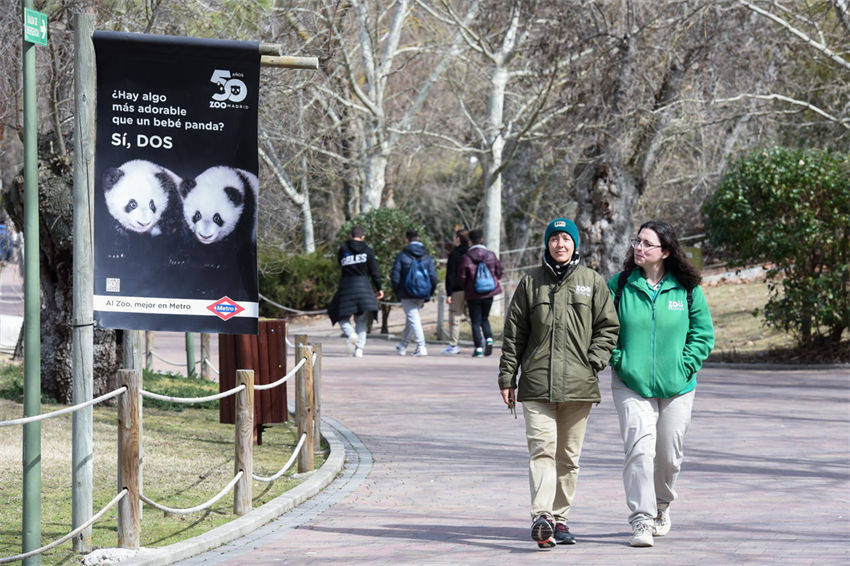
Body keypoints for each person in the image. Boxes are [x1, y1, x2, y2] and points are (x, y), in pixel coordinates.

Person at [499, 218, 619, 549]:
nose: (560, 244)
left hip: (578, 387)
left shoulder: (592, 282)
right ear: (547, 244)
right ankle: (542, 516)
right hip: (537, 385)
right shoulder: (530, 283)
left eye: (566, 238)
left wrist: (593, 362)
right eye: (555, 238)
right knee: (541, 449)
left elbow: (608, 328)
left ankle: (560, 517)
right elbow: (514, 334)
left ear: (575, 244)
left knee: (568, 456)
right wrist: (507, 377)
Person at [606, 220, 714, 548]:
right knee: (639, 449)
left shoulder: (687, 287)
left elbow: (703, 333)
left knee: (669, 454)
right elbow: (602, 329)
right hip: (631, 383)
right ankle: (641, 520)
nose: (638, 247)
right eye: (637, 241)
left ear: (664, 251)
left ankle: (662, 506)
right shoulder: (619, 285)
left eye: (647, 244)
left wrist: (685, 365)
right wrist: (620, 360)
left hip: (678, 385)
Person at [327, 226, 384, 358]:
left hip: (346, 286)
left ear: (350, 236)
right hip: (364, 287)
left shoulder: (343, 249)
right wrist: (379, 288)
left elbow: (340, 265)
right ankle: (359, 349)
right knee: (361, 320)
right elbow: (374, 271)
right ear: (363, 237)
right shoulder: (368, 251)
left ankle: (351, 334)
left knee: (341, 316)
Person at [390, 229, 438, 356]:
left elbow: (395, 275)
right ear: (419, 239)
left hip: (406, 292)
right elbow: (433, 276)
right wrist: (429, 292)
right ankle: (403, 345)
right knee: (411, 319)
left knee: (414, 318)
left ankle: (421, 346)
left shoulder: (402, 255)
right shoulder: (426, 256)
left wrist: (397, 290)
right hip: (422, 291)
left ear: (407, 240)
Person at [458, 229, 503, 357]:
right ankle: (489, 339)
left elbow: (462, 276)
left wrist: (466, 287)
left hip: (473, 294)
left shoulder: (466, 257)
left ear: (470, 241)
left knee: (475, 321)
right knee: (485, 318)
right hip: (489, 292)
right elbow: (499, 272)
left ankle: (478, 348)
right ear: (482, 239)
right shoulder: (491, 255)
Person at [442, 229, 470, 355]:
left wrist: (449, 293)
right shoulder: (472, 253)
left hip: (457, 290)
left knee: (455, 317)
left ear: (458, 239)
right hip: (472, 291)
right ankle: (481, 342)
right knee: (474, 318)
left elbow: (450, 275)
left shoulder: (454, 254)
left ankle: (453, 344)